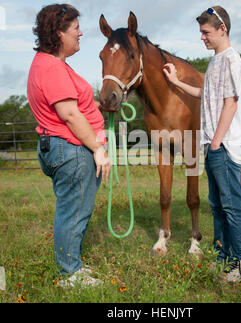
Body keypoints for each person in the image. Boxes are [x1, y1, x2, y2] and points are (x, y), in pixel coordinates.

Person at [163, 6, 241, 282]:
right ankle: (223, 257)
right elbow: (207, 93)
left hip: (223, 146)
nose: (202, 37)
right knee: (216, 204)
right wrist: (176, 82)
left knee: (231, 205)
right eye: (201, 32)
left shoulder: (231, 60)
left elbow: (231, 102)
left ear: (222, 29)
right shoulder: (216, 60)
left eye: (206, 32)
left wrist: (215, 142)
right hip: (212, 145)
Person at [27, 4, 111, 287]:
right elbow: (70, 114)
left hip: (64, 147)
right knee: (73, 211)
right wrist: (98, 150)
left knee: (74, 209)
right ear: (59, 32)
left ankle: (71, 266)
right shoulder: (51, 67)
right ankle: (69, 274)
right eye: (75, 28)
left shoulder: (53, 64)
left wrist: (100, 106)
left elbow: (75, 104)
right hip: (70, 149)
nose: (81, 33)